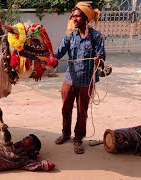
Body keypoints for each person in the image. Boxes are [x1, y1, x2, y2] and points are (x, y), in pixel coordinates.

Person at [53, 2, 105, 154]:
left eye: (77, 16)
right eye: (73, 16)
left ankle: (78, 139)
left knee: (82, 112)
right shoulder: (70, 36)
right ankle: (65, 133)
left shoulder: (96, 37)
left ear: (86, 18)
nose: (74, 19)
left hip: (86, 81)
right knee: (65, 108)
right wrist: (48, 58)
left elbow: (101, 56)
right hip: (70, 79)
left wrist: (98, 59)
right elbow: (59, 53)